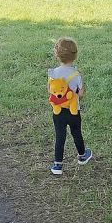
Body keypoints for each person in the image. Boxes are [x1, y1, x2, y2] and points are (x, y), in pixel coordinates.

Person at [47, 37, 93, 175]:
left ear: (57, 55)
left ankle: (57, 165)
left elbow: (50, 90)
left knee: (60, 136)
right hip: (73, 111)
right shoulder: (76, 74)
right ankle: (82, 156)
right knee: (76, 133)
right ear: (75, 55)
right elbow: (80, 94)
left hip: (58, 111)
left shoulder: (53, 73)